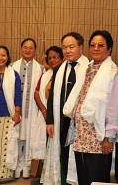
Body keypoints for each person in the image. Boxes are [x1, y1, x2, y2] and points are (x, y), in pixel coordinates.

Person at [67, 30, 117, 184]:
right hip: (82, 135)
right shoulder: (88, 69)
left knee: (98, 179)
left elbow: (114, 108)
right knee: (83, 178)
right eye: (93, 45)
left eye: (101, 45)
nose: (96, 48)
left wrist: (109, 137)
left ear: (109, 49)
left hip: (99, 138)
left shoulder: (112, 73)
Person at [43, 32, 89, 185]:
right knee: (63, 155)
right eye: (64, 47)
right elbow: (51, 100)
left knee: (79, 158)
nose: (68, 51)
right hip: (61, 122)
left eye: (71, 47)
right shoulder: (59, 69)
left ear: (81, 47)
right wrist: (50, 121)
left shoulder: (88, 68)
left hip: (81, 124)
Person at [12, 38, 44, 179]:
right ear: (20, 49)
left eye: (31, 47)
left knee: (29, 136)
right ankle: (17, 164)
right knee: (17, 136)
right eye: (25, 47)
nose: (27, 50)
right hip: (17, 108)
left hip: (32, 109)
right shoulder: (13, 66)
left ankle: (27, 164)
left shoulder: (41, 68)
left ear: (35, 50)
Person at [0, 46, 22, 182]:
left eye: (3, 55)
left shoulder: (13, 74)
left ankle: (5, 175)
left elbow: (18, 95)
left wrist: (17, 113)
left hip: (8, 114)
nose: (0, 58)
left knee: (6, 145)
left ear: (8, 57)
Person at [33, 46, 63, 178]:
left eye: (55, 57)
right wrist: (45, 111)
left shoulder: (65, 73)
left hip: (62, 118)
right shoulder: (46, 75)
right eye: (49, 58)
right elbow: (36, 93)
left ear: (62, 58)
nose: (52, 60)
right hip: (47, 117)